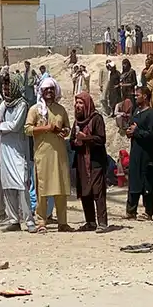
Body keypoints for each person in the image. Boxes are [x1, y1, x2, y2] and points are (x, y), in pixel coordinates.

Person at [25, 77, 72, 232]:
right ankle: (41, 222)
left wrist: (64, 131)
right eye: (46, 89)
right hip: (42, 155)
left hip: (59, 155)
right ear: (41, 91)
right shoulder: (35, 110)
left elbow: (67, 128)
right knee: (42, 189)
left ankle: (63, 223)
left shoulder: (61, 110)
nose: (49, 92)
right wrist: (45, 128)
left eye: (52, 89)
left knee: (61, 189)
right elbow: (27, 129)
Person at [0, 74, 36, 233]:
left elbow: (16, 126)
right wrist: (3, 127)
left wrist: (2, 127)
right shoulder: (4, 104)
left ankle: (29, 220)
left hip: (18, 150)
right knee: (7, 186)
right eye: (4, 87)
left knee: (21, 185)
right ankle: (13, 220)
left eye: (8, 87)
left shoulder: (22, 104)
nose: (6, 90)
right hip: (5, 149)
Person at [70, 92, 108, 231]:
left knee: (98, 191)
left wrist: (85, 138)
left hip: (95, 161)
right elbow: (71, 141)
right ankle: (90, 222)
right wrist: (76, 141)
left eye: (81, 103)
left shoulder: (96, 118)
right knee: (85, 191)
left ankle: (102, 223)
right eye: (77, 103)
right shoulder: (77, 122)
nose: (78, 106)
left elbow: (101, 139)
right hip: (81, 160)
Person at [125, 87, 153, 220]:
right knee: (134, 181)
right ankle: (131, 210)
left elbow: (152, 135)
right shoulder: (136, 112)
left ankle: (148, 212)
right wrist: (130, 132)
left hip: (147, 155)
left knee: (147, 183)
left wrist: (137, 131)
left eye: (138, 95)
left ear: (145, 96)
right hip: (135, 152)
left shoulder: (152, 114)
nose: (135, 97)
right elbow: (132, 128)